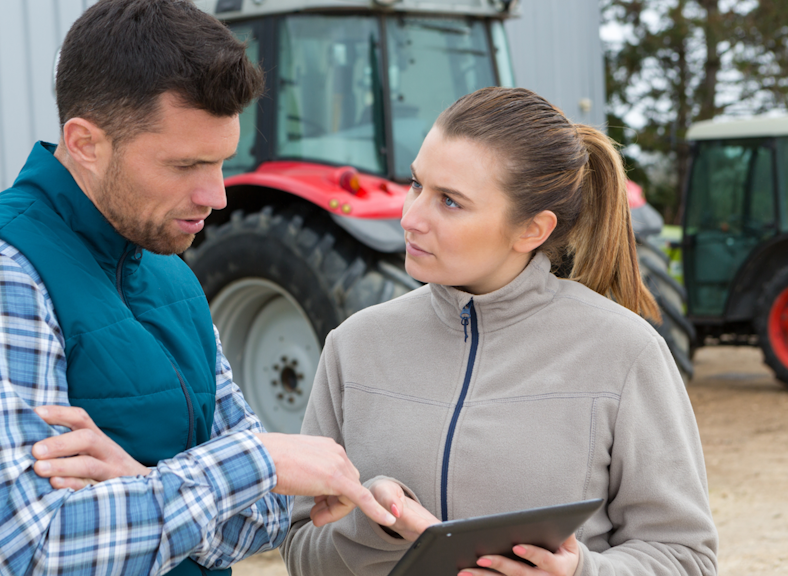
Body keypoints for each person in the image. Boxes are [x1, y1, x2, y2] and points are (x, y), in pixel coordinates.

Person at [0, 1, 394, 575]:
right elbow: (40, 552)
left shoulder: (168, 271)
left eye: (223, 162)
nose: (217, 196)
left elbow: (261, 520)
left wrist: (141, 481)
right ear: (85, 143)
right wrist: (256, 460)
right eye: (185, 166)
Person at [279, 87, 718, 576]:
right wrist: (375, 526)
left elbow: (685, 558)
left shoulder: (626, 353)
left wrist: (581, 573)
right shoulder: (354, 345)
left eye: (450, 201)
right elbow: (300, 549)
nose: (410, 217)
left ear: (532, 230)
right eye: (416, 184)